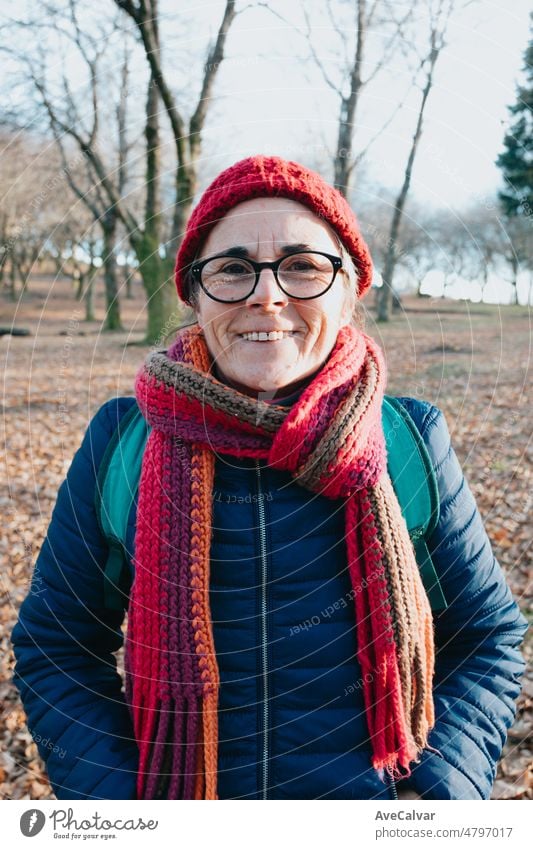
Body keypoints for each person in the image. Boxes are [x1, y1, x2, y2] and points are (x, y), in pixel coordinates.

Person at [11, 155, 527, 801]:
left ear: (349, 290)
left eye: (303, 266)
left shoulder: (407, 438)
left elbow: (483, 636)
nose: (267, 294)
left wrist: (437, 796)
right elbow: (57, 645)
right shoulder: (123, 439)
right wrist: (125, 816)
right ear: (194, 293)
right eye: (232, 268)